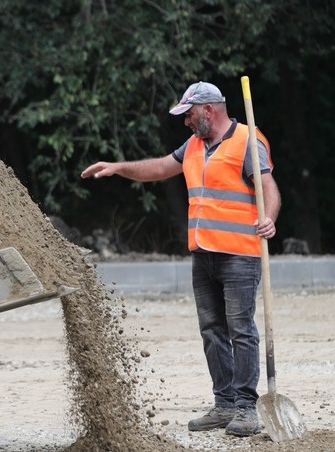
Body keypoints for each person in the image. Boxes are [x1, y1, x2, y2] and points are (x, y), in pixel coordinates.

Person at [81, 81, 280, 437]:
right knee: (212, 331)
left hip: (239, 254)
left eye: (189, 114)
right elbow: (159, 168)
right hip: (203, 253)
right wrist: (118, 167)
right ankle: (224, 404)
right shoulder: (194, 145)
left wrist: (270, 218)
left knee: (241, 331)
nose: (186, 121)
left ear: (208, 110)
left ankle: (247, 409)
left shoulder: (247, 141)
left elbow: (269, 188)